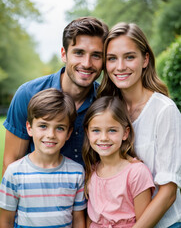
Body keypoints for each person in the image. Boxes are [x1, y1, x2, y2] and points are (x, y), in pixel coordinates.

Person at [97, 22, 181, 227]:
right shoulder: (107, 110)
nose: (120, 66)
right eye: (112, 59)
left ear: (145, 60)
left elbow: (168, 191)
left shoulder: (164, 110)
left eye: (129, 57)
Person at [2, 16, 109, 175]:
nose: (87, 63)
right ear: (64, 54)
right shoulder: (27, 95)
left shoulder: (108, 101)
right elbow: (11, 164)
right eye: (79, 53)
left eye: (96, 55)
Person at [0, 88, 86, 227]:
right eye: (43, 126)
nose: (51, 134)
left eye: (60, 128)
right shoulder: (14, 172)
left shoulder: (76, 172)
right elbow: (5, 221)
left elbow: (78, 220)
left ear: (69, 133)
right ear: (29, 128)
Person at [82, 96, 155, 228]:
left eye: (112, 130)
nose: (103, 138)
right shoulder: (91, 171)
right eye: (96, 130)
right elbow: (90, 220)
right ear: (88, 133)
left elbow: (145, 223)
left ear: (125, 133)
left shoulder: (136, 172)